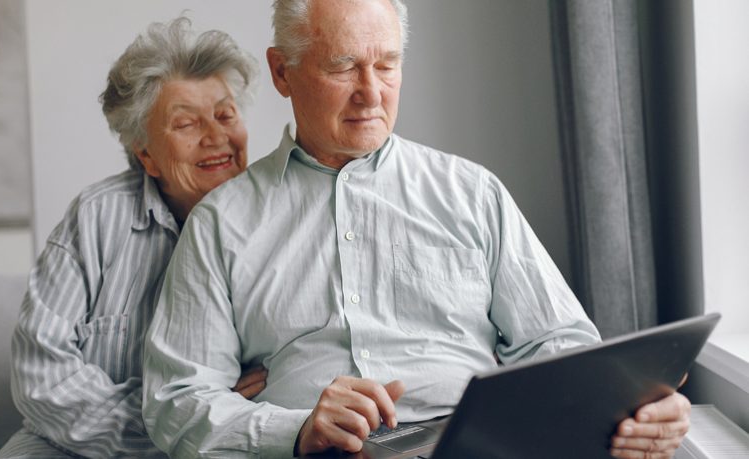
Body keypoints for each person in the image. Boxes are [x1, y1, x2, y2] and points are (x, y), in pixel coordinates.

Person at [142, 1, 691, 458]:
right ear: (283, 71)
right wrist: (297, 431)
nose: (371, 92)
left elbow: (559, 343)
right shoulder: (222, 222)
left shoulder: (471, 193)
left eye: (386, 65)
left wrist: (629, 402)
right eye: (342, 66)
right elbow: (176, 400)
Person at [0, 18, 267, 458]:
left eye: (225, 114)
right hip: (66, 448)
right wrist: (184, 421)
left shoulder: (279, 224)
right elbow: (42, 379)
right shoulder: (95, 217)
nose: (216, 136)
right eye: (186, 124)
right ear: (146, 155)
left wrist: (207, 421)